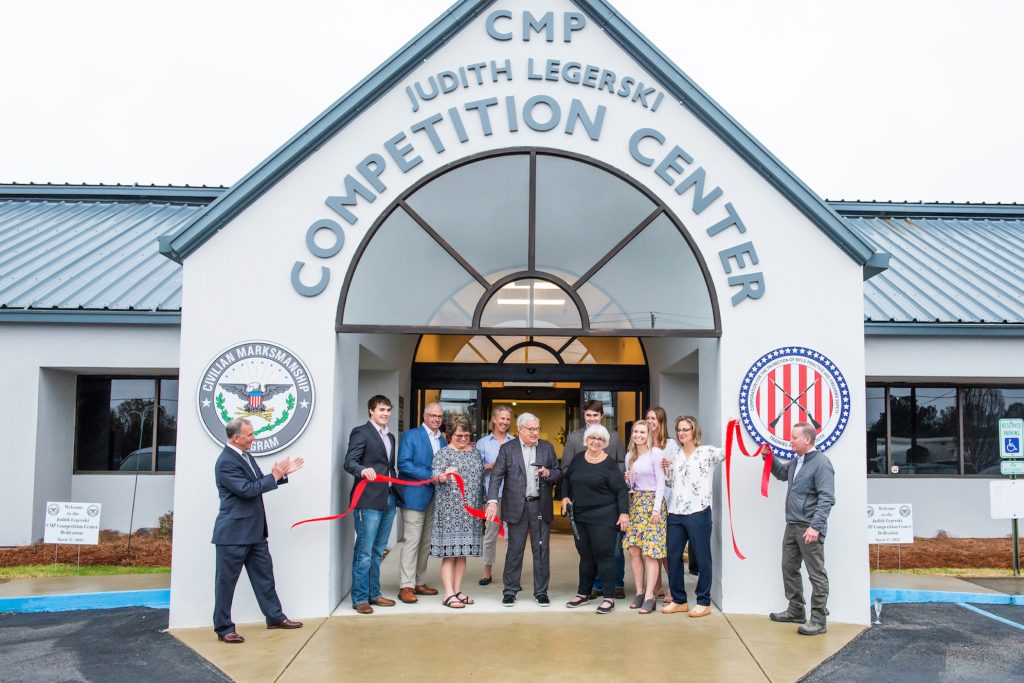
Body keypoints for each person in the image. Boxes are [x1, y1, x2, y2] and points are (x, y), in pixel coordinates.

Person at [211, 418, 305, 643]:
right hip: (233, 534)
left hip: (254, 532)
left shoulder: (245, 456)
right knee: (226, 584)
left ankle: (274, 617)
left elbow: (258, 482)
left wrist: (279, 475)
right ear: (236, 438)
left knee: (265, 577)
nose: (254, 438)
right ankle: (224, 628)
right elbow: (246, 490)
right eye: (250, 435)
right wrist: (272, 477)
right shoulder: (226, 462)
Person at [765, 422, 836, 635]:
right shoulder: (797, 461)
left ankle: (818, 620)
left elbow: (827, 498)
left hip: (809, 527)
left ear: (807, 439)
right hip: (792, 524)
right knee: (788, 567)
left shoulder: (822, 464)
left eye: (794, 437)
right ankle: (796, 610)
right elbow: (780, 473)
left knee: (816, 574)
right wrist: (768, 457)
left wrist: (815, 526)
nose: (790, 440)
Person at [485, 412, 561, 607]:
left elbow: (558, 472)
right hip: (516, 506)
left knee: (541, 550)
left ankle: (541, 592)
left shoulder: (546, 448)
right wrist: (492, 500)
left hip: (539, 505)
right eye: (531, 429)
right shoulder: (507, 449)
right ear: (519, 429)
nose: (535, 433)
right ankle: (510, 591)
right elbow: (496, 476)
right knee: (515, 550)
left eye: (537, 428)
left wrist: (548, 473)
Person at [342, 395, 403, 615]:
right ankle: (360, 598)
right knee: (365, 552)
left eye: (388, 410)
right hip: (367, 499)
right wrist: (361, 470)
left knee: (379, 551)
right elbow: (349, 462)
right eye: (381, 410)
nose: (385, 413)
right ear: (371, 411)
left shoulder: (391, 437)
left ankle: (374, 594)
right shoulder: (361, 432)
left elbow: (389, 467)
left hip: (388, 498)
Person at [560, 424, 629, 614]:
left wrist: (624, 513)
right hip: (581, 515)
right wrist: (565, 496)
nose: (596, 442)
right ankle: (583, 594)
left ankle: (608, 597)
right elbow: (566, 479)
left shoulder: (609, 464)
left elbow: (621, 490)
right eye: (593, 438)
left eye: (600, 439)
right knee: (586, 555)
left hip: (604, 515)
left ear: (605, 442)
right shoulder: (578, 459)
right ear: (586, 440)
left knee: (604, 555)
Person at [663, 416, 723, 617]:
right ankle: (679, 600)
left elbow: (728, 452)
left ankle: (703, 601)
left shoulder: (707, 452)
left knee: (702, 556)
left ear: (694, 431)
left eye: (685, 430)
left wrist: (735, 428)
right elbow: (671, 484)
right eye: (679, 430)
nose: (681, 433)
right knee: (673, 556)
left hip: (699, 511)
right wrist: (666, 469)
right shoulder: (676, 456)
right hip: (676, 513)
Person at [431, 415, 486, 608]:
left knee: (462, 553)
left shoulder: (476, 453)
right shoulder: (443, 454)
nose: (463, 439)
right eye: (459, 435)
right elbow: (435, 477)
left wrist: (485, 503)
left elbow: (480, 481)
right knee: (450, 554)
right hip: (449, 512)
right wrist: (444, 476)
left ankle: (457, 590)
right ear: (450, 435)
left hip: (471, 511)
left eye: (466, 435)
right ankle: (448, 593)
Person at [395, 402, 445, 604]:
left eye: (440, 416)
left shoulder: (442, 440)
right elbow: (404, 464)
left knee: (425, 543)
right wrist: (431, 476)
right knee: (412, 541)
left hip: (434, 497)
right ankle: (405, 586)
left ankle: (419, 581)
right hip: (414, 496)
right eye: (432, 415)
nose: (436, 419)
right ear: (424, 416)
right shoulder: (411, 436)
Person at [623, 420, 666, 614]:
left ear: (648, 434)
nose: (638, 435)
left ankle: (650, 596)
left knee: (650, 551)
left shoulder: (655, 454)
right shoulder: (629, 457)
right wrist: (628, 482)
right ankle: (639, 592)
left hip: (653, 505)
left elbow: (661, 483)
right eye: (635, 432)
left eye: (642, 432)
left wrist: (656, 509)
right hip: (636, 503)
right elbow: (631, 487)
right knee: (633, 549)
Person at [475, 405, 512, 585]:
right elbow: (476, 468)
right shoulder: (483, 443)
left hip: (512, 495)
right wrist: (492, 465)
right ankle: (487, 572)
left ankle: (510, 573)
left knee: (511, 535)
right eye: (502, 418)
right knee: (490, 534)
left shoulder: (515, 441)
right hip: (492, 496)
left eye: (507, 419)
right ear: (494, 420)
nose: (505, 422)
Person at [646, 406, 678, 598]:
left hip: (666, 498)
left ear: (661, 422)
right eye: (648, 418)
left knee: (665, 547)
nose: (650, 422)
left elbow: (675, 472)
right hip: (649, 500)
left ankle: (673, 588)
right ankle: (656, 586)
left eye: (654, 419)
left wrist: (669, 466)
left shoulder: (671, 444)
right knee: (652, 547)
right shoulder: (643, 441)